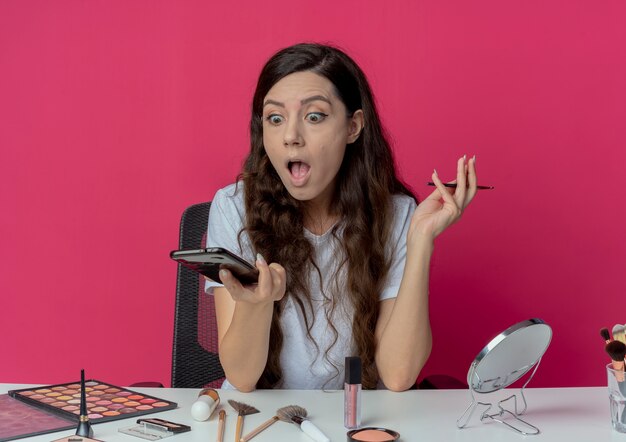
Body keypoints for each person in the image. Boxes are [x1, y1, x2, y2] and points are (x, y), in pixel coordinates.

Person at [205, 43, 477, 392]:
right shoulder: (233, 208)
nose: (290, 136)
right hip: (266, 416)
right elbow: (242, 378)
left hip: (358, 416)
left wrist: (421, 239)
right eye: (275, 118)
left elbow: (398, 375)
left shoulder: (395, 214)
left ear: (353, 127)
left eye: (314, 116)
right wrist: (256, 305)